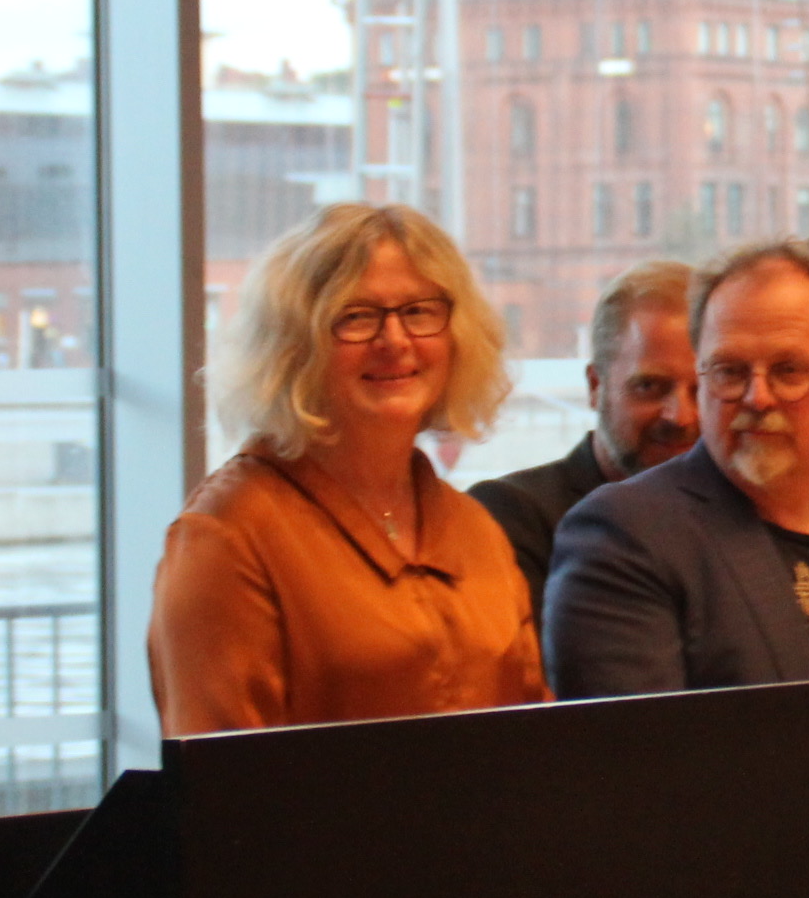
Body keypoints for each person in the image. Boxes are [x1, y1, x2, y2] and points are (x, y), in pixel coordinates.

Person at [151, 202, 543, 733]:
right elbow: (221, 774)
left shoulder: (476, 531)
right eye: (356, 317)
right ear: (294, 347)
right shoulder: (226, 538)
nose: (395, 341)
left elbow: (533, 735)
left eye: (419, 312)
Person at [546, 238, 809, 693]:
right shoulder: (625, 537)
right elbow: (635, 736)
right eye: (730, 371)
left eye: (788, 370)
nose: (757, 398)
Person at [469, 258, 698, 600]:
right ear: (595, 386)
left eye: (702, 390)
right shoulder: (513, 518)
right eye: (649, 387)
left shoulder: (741, 515)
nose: (681, 416)